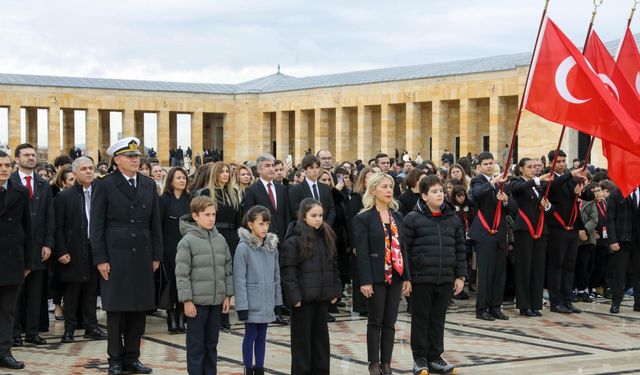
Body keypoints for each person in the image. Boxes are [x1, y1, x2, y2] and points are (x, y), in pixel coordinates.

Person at [91, 137, 162, 375]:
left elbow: (155, 224)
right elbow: (97, 226)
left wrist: (156, 256)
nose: (135, 160)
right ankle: (115, 359)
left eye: (137, 156)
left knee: (139, 309)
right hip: (116, 254)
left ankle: (133, 357)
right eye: (130, 157)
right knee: (116, 311)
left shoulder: (148, 184)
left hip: (142, 254)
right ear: (117, 160)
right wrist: (101, 258)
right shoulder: (105, 185)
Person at [404, 175, 466, 375]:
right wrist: (407, 278)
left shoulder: (452, 217)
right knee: (421, 319)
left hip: (445, 278)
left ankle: (435, 356)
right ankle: (420, 358)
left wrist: (460, 276)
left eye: (441, 191)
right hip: (421, 279)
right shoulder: (413, 219)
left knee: (438, 319)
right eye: (434, 191)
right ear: (423, 196)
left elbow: (459, 248)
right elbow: (405, 250)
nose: (439, 194)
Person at [354, 172, 411, 375]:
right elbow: (362, 252)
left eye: (391, 186)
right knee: (375, 320)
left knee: (390, 321)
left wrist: (407, 277)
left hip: (395, 275)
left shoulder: (397, 216)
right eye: (384, 186)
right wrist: (365, 281)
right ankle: (374, 363)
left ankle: (386, 363)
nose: (389, 190)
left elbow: (403, 247)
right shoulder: (364, 218)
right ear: (373, 190)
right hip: (376, 276)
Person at [281, 198, 342, 375]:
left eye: (320, 215)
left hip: (321, 298)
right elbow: (289, 271)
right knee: (302, 343)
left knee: (321, 341)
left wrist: (335, 290)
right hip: (303, 301)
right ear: (303, 216)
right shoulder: (293, 241)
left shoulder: (326, 236)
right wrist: (295, 297)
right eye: (313, 215)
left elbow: (333, 267)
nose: (318, 219)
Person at [175, 196, 233, 375]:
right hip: (197, 304)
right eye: (207, 214)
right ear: (195, 216)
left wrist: (227, 295)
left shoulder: (220, 239)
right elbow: (182, 274)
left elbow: (227, 269)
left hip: (216, 302)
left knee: (211, 344)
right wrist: (187, 301)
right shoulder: (187, 242)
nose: (211, 218)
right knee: (196, 345)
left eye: (213, 214)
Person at [54, 156, 107, 343]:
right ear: (75, 173)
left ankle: (91, 327)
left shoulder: (101, 193)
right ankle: (69, 329)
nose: (89, 172)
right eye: (84, 169)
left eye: (91, 168)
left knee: (92, 290)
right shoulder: (64, 196)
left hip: (95, 249)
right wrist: (60, 251)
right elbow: (57, 227)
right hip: (73, 250)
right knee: (72, 292)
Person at [11, 143, 54, 347]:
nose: (31, 158)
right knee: (16, 292)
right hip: (16, 248)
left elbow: (49, 217)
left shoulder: (42, 184)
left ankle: (32, 331)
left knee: (36, 293)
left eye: (33, 155)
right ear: (17, 158)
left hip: (38, 248)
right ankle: (14, 332)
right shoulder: (8, 181)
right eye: (26, 155)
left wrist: (48, 243)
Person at [241, 153, 291, 325]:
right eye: (268, 166)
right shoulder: (252, 191)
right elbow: (249, 216)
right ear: (260, 169)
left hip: (280, 239)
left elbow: (286, 215)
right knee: (266, 276)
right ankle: (267, 310)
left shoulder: (283, 189)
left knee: (278, 276)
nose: (272, 169)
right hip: (261, 241)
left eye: (273, 166)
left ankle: (279, 308)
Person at [234, 206, 282, 375]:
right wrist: (242, 306)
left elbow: (277, 276)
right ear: (250, 224)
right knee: (251, 335)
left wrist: (278, 302)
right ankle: (248, 368)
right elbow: (239, 279)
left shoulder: (271, 247)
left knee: (262, 336)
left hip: (267, 300)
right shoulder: (243, 248)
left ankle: (260, 368)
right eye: (261, 224)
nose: (265, 228)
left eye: (267, 224)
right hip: (252, 301)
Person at [469, 152, 512, 321]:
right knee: (486, 272)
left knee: (499, 272)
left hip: (500, 233)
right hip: (484, 233)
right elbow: (475, 195)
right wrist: (494, 182)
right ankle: (482, 308)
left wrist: (506, 199)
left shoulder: (502, 184)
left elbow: (513, 208)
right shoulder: (478, 181)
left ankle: (496, 306)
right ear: (479, 167)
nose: (489, 166)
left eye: (491, 163)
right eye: (486, 164)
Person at [199, 162, 242, 330]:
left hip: (231, 237)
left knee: (227, 275)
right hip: (214, 235)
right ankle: (214, 317)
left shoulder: (234, 193)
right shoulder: (206, 193)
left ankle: (224, 316)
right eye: (222, 171)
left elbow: (239, 219)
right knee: (215, 275)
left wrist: (239, 240)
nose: (225, 174)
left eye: (227, 172)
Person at [0, 150, 32, 370]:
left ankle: (4, 352)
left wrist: (27, 262)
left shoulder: (20, 191)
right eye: (0, 165)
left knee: (7, 310)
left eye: (7, 165)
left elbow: (28, 229)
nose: (4, 169)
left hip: (12, 260)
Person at [545, 149, 588, 314]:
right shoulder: (549, 177)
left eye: (564, 161)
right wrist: (570, 176)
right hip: (557, 228)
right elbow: (553, 186)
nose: (562, 164)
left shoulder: (571, 179)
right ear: (551, 164)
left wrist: (582, 189)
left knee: (569, 266)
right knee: (557, 264)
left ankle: (567, 299)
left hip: (572, 228)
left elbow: (587, 196)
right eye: (559, 162)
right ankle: (556, 301)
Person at [509, 158, 551, 317]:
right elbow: (519, 188)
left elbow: (547, 207)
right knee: (524, 268)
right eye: (530, 167)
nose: (534, 169)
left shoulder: (538, 187)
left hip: (540, 230)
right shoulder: (516, 182)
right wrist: (537, 179)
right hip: (524, 230)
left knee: (537, 268)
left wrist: (548, 206)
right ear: (521, 169)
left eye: (535, 167)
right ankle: (524, 305)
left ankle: (535, 303)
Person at [159, 167, 192, 333]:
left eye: (184, 177)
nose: (182, 180)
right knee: (171, 281)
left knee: (184, 281)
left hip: (186, 247)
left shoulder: (190, 199)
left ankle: (181, 316)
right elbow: (158, 226)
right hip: (168, 247)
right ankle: (171, 315)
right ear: (171, 180)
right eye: (178, 177)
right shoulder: (164, 199)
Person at [346, 167, 376, 316]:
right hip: (359, 242)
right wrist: (353, 245)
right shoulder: (356, 198)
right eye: (368, 178)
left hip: (373, 242)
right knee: (359, 275)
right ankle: (360, 305)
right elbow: (351, 224)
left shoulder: (376, 198)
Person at [606, 186, 640, 313]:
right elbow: (610, 218)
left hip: (638, 241)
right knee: (619, 274)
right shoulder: (616, 193)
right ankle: (616, 303)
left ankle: (638, 303)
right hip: (622, 240)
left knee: (638, 274)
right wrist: (613, 240)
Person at [289, 155, 336, 227]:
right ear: (305, 170)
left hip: (325, 230)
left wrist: (325, 225)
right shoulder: (296, 189)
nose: (315, 171)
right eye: (311, 168)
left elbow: (331, 209)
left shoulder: (325, 188)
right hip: (305, 231)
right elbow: (296, 212)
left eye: (317, 167)